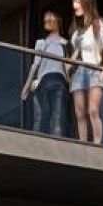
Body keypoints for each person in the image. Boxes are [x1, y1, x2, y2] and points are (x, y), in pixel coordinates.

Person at [68, 0, 103, 145]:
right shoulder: (77, 29)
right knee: (80, 113)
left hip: (94, 70)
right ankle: (82, 144)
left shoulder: (98, 23)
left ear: (86, 4)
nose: (74, 5)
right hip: (78, 72)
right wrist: (66, 67)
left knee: (93, 110)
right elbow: (76, 53)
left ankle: (97, 144)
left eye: (77, 2)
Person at [20, 10, 71, 138]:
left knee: (56, 117)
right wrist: (26, 87)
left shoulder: (65, 43)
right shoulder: (41, 42)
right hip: (45, 81)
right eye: (46, 20)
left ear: (57, 22)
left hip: (59, 81)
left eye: (50, 19)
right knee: (46, 116)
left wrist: (70, 84)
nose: (47, 21)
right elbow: (35, 65)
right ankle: (40, 143)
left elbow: (67, 66)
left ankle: (56, 145)